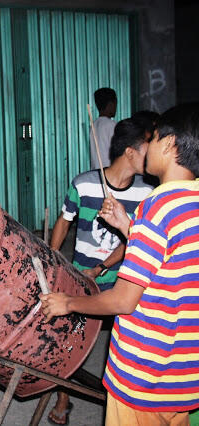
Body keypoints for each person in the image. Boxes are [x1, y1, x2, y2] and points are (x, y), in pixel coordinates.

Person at [41, 103, 199, 425]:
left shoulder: (155, 205)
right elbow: (173, 256)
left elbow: (124, 301)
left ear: (169, 145)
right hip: (183, 377)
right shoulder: (188, 205)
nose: (149, 147)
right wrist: (129, 227)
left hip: (143, 377)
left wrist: (68, 303)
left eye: (153, 138)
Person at [47, 117, 154, 424]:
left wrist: (102, 266)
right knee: (65, 339)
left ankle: (124, 397)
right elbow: (64, 220)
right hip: (79, 275)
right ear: (131, 152)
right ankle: (64, 398)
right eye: (149, 145)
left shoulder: (146, 194)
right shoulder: (84, 183)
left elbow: (137, 238)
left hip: (123, 281)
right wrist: (54, 259)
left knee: (124, 345)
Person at [90, 87, 117, 169]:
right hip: (109, 173)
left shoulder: (93, 125)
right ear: (111, 104)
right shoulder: (112, 125)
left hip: (96, 174)